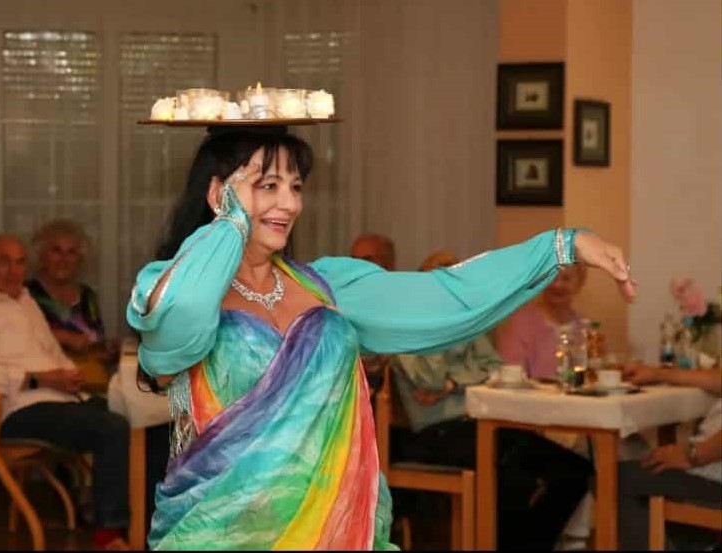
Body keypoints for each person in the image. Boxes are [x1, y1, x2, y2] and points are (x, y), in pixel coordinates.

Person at [125, 125, 636, 550]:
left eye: (296, 186)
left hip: (339, 531)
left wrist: (562, 246)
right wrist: (230, 221)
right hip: (222, 534)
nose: (290, 203)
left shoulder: (330, 288)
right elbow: (182, 320)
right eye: (268, 185)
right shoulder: (168, 289)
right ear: (220, 193)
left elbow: (447, 295)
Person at [393, 250, 593, 550]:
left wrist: (454, 382)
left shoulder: (465, 322)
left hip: (477, 424)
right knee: (513, 471)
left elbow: (496, 368)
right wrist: (441, 332)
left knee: (574, 469)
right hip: (435, 433)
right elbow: (430, 380)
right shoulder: (407, 327)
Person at [0, 234, 131, 551]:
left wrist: (69, 375)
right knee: (112, 428)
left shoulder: (27, 302)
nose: (14, 271)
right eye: (4, 261)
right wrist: (41, 380)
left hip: (62, 399)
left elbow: (53, 353)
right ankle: (109, 534)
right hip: (18, 409)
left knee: (137, 418)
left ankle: (145, 518)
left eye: (20, 262)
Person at [617, 364, 722, 550]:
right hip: (710, 466)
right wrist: (659, 374)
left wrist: (693, 455)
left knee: (614, 480)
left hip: (713, 473)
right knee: (639, 465)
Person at [27, 219, 118, 368]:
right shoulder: (26, 294)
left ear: (80, 260)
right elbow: (15, 339)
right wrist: (64, 337)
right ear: (42, 257)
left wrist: (107, 350)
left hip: (88, 376)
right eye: (56, 251)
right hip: (44, 378)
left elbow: (95, 343)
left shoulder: (87, 296)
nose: (64, 259)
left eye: (71, 252)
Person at [495, 262, 588, 381]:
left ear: (579, 283)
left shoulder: (585, 327)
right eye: (552, 278)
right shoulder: (522, 322)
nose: (558, 285)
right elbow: (512, 374)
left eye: (566, 279)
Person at [349, 233, 398, 399]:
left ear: (389, 265)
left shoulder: (400, 301)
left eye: (366, 260)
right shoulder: (342, 299)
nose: (357, 267)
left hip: (389, 392)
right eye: (353, 260)